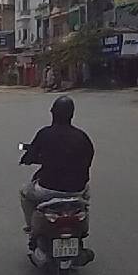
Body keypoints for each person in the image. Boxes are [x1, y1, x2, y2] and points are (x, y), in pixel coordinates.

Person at [19, 95, 94, 233]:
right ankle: (81, 225)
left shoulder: (45, 134)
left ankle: (31, 227)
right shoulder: (83, 137)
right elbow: (88, 161)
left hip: (48, 190)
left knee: (25, 193)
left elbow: (31, 155)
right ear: (71, 114)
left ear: (53, 113)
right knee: (86, 195)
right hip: (77, 190)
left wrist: (27, 158)